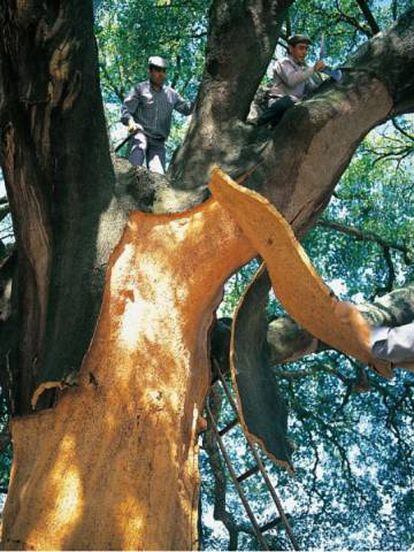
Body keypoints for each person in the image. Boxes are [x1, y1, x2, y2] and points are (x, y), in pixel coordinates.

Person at [121, 56, 193, 174]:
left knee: (158, 175)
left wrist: (203, 96)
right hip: (140, 134)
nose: (161, 74)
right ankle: (127, 186)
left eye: (164, 71)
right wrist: (130, 122)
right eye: (158, 70)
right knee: (135, 164)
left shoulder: (172, 94)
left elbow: (187, 109)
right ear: (150, 71)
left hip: (158, 142)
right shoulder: (140, 89)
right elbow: (126, 110)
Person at [256, 34, 326, 127]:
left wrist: (328, 82)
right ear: (290, 48)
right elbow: (291, 81)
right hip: (279, 103)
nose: (304, 52)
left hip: (296, 104)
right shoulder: (282, 62)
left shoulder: (304, 69)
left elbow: (312, 88)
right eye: (301, 48)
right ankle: (259, 122)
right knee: (288, 100)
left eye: (306, 49)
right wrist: (313, 69)